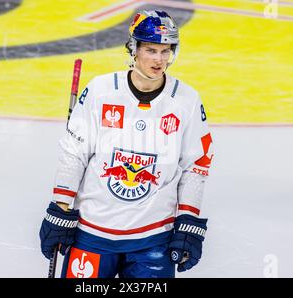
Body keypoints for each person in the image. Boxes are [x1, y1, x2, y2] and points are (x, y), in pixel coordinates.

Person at [39, 10, 214, 278]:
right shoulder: (100, 90)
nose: (159, 60)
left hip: (153, 238)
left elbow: (196, 163)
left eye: (166, 51)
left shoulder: (186, 101)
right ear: (134, 49)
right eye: (151, 50)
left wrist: (188, 217)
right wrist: (61, 207)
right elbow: (75, 152)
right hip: (93, 231)